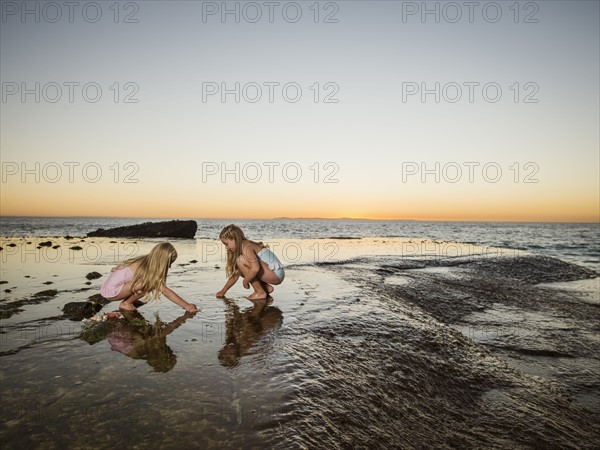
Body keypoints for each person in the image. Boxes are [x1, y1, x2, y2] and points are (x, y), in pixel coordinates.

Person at [100, 242, 198, 312]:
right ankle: (126, 303)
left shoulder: (145, 261)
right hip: (112, 292)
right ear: (161, 261)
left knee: (150, 281)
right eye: (168, 263)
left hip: (112, 289)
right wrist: (187, 306)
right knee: (151, 282)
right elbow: (165, 291)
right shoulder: (146, 267)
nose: (169, 266)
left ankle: (130, 300)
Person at [216, 224, 285, 300]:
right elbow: (236, 274)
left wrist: (245, 281)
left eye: (226, 244)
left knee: (241, 260)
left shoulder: (246, 247)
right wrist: (223, 291)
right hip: (272, 272)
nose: (226, 247)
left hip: (276, 273)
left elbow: (255, 268)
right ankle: (265, 287)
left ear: (235, 239)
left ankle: (260, 292)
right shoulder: (243, 247)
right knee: (241, 267)